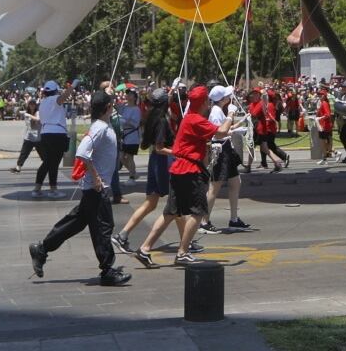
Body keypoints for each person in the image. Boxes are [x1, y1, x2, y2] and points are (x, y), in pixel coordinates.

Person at [29, 91, 130, 285]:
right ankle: (107, 271)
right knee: (103, 227)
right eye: (113, 105)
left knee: (74, 223)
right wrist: (96, 177)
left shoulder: (101, 126)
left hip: (93, 187)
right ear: (108, 108)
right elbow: (83, 152)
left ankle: (41, 248)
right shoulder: (100, 128)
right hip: (97, 188)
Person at [135, 84, 218, 268]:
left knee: (170, 212)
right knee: (197, 211)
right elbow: (220, 131)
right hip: (185, 168)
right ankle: (183, 252)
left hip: (175, 167)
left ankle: (145, 248)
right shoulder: (174, 120)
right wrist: (230, 117)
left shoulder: (181, 117)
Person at [115, 88, 175, 254]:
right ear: (164, 103)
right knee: (176, 204)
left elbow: (144, 144)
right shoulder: (162, 120)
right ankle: (186, 243)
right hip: (163, 163)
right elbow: (159, 147)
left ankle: (123, 234)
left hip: (154, 162)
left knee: (151, 203)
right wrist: (178, 152)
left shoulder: (151, 118)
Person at [202, 86, 252, 229]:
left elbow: (224, 129)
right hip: (220, 151)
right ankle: (204, 221)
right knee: (214, 187)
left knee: (235, 182)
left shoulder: (218, 110)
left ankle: (234, 219)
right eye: (227, 96)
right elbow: (219, 133)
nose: (230, 97)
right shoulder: (216, 112)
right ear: (222, 99)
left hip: (226, 150)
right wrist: (231, 114)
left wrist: (239, 124)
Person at [29, 81, 71, 193]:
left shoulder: (42, 102)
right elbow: (64, 97)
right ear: (55, 90)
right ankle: (53, 188)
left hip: (45, 133)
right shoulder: (55, 99)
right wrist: (73, 86)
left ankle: (37, 187)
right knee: (54, 163)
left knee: (47, 162)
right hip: (58, 134)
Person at [11, 94, 42, 174]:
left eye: (33, 104)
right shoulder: (26, 112)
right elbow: (16, 112)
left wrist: (29, 115)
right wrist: (20, 106)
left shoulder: (38, 112)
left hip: (38, 138)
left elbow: (38, 119)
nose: (32, 106)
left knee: (43, 154)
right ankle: (18, 167)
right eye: (30, 104)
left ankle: (48, 167)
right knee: (24, 153)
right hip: (28, 137)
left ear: (35, 105)